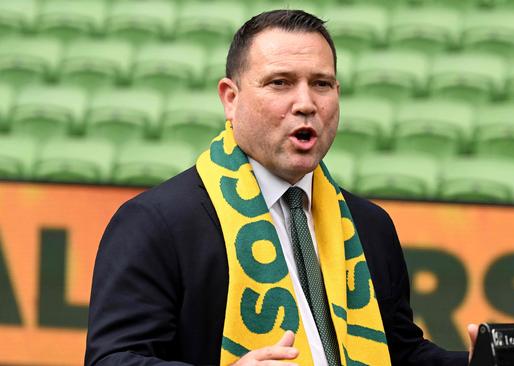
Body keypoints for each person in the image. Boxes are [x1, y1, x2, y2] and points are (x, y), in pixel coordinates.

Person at [85, 10, 477, 366]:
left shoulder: (369, 225)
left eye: (321, 84)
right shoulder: (157, 223)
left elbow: (400, 353)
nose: (305, 102)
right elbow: (114, 359)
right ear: (231, 99)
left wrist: (480, 363)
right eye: (280, 83)